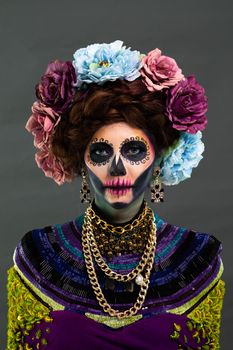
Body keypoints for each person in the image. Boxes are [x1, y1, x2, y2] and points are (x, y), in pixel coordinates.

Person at [7, 40, 225, 350]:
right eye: (100, 152)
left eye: (134, 150)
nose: (118, 168)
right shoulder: (36, 255)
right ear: (81, 161)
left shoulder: (198, 260)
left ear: (158, 159)